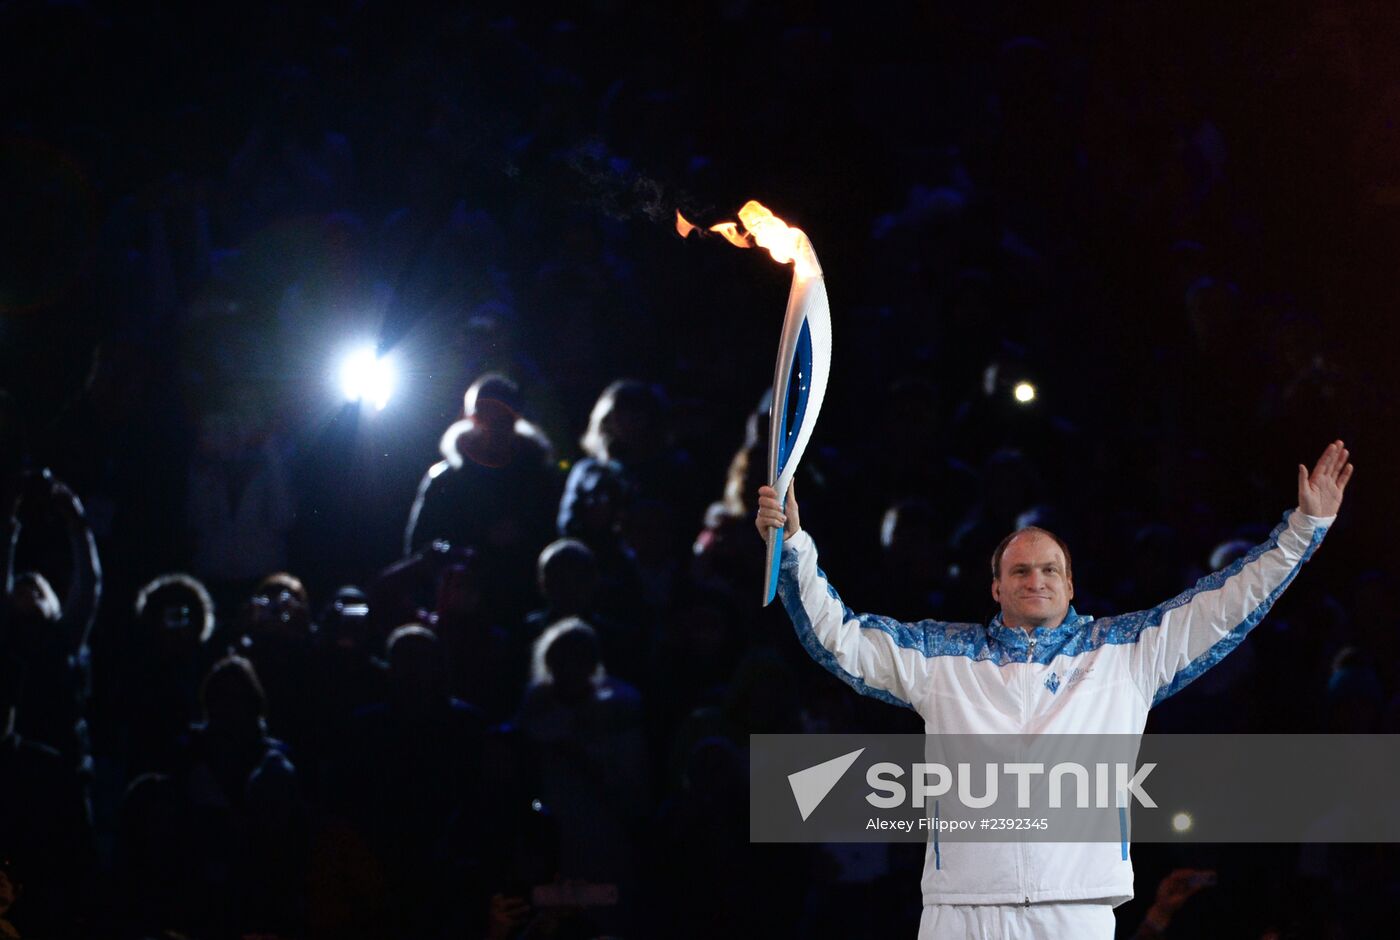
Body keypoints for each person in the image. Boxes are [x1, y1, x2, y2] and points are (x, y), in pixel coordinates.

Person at [755, 440, 1354, 940]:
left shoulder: (1124, 654)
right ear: (995, 588)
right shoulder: (941, 657)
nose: (1034, 579)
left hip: (1077, 909)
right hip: (962, 909)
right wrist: (794, 551)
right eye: (1019, 570)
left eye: (1049, 571)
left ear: (1072, 586)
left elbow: (1225, 606)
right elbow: (841, 640)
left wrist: (1304, 530)